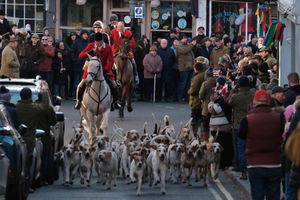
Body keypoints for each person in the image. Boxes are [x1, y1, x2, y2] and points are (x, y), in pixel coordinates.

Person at [238, 89, 284, 200]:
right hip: (274, 163)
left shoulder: (247, 119)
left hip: (255, 164)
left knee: (257, 195)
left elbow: (241, 136)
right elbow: (281, 133)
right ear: (269, 102)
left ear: (254, 102)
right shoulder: (279, 118)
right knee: (273, 195)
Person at [75, 32, 119, 111]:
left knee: (114, 84)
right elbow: (80, 55)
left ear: (102, 40)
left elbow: (111, 61)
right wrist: (89, 52)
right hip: (91, 69)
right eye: (96, 42)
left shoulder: (108, 47)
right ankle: (79, 101)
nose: (97, 44)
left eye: (99, 42)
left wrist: (105, 69)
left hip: (104, 69)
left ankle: (115, 102)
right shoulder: (91, 46)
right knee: (81, 84)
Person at [15, 87, 43, 193]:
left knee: (17, 165)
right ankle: (26, 186)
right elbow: (45, 111)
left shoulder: (15, 108)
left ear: (20, 96)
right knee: (28, 165)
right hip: (30, 141)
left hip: (17, 141)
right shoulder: (35, 108)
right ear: (30, 96)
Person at [228, 76, 254, 179]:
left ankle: (242, 167)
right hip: (252, 123)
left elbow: (229, 102)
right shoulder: (253, 95)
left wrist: (233, 91)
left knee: (240, 147)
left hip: (238, 124)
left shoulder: (236, 96)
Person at [35, 92, 57, 185]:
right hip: (45, 136)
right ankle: (45, 178)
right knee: (46, 157)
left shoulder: (34, 107)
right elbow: (53, 121)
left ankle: (39, 178)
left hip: (33, 134)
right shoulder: (48, 109)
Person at [176, 34, 196, 103]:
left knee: (188, 84)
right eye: (184, 38)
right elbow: (184, 51)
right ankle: (179, 97)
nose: (186, 39)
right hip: (183, 67)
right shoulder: (179, 45)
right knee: (182, 84)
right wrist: (191, 45)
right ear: (181, 39)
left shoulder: (186, 45)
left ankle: (187, 98)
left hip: (190, 67)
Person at [188, 62, 205, 137]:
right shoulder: (205, 75)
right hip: (203, 102)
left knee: (194, 120)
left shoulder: (197, 77)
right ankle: (202, 135)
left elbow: (193, 90)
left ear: (195, 69)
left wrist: (189, 91)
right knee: (201, 119)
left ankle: (194, 134)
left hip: (196, 101)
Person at [199, 68, 216, 140]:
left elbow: (201, 95)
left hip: (206, 106)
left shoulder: (205, 84)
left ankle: (205, 139)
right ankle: (214, 138)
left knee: (205, 124)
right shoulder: (217, 82)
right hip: (216, 107)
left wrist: (203, 100)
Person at [71, 30, 89, 97]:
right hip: (78, 65)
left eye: (86, 34)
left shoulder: (88, 42)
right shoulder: (76, 42)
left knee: (85, 82)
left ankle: (84, 96)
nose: (86, 36)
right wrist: (75, 60)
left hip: (87, 65)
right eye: (84, 34)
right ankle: (76, 95)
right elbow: (72, 52)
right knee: (77, 81)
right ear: (81, 35)